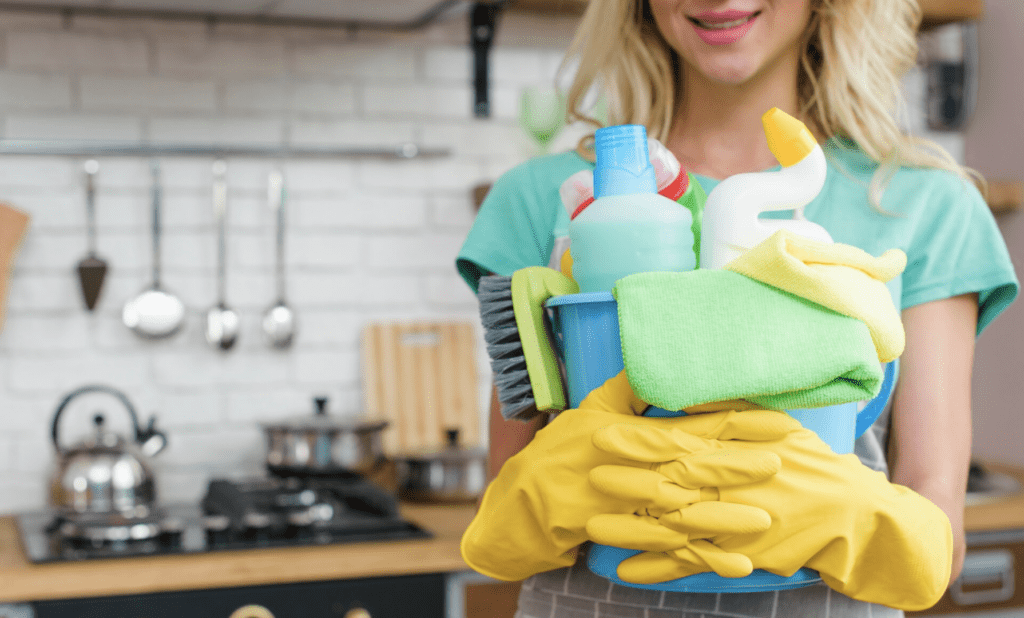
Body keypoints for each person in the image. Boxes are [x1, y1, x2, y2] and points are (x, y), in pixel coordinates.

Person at [456, 0, 1019, 616]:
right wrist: (548, 492)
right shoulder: (552, 200)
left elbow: (939, 540)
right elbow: (501, 515)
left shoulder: (923, 206)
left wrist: (855, 517)